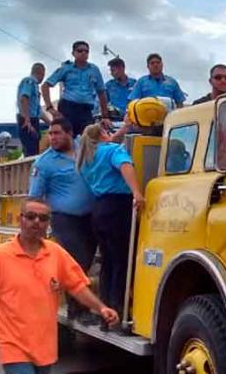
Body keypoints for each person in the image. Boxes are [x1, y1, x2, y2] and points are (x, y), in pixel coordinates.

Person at [0, 199, 119, 374]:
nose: (36, 222)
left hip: (45, 349)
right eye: (31, 216)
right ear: (21, 220)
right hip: (13, 347)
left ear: (48, 223)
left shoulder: (56, 253)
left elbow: (77, 286)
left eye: (43, 218)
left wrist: (101, 308)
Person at [29, 117, 98, 323]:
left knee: (88, 259)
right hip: (64, 219)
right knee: (76, 262)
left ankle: (87, 304)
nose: (52, 138)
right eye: (50, 134)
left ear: (70, 134)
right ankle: (77, 310)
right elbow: (34, 196)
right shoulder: (44, 163)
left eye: (57, 133)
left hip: (91, 216)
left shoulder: (84, 147)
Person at [76, 124, 146, 318]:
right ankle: (120, 308)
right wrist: (137, 192)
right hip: (118, 207)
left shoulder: (86, 159)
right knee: (123, 260)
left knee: (108, 261)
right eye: (107, 132)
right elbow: (125, 165)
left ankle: (104, 309)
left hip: (99, 210)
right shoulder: (112, 150)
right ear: (102, 135)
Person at [42, 41, 110, 136]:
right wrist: (50, 108)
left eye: (86, 51)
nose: (83, 53)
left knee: (87, 140)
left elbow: (101, 92)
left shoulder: (94, 69)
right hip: (68, 109)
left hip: (86, 111)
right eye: (80, 51)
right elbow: (45, 86)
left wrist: (105, 116)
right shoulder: (66, 68)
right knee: (65, 139)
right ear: (73, 53)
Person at [17, 63, 49, 156]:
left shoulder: (35, 86)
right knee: (30, 151)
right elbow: (24, 98)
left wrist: (51, 123)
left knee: (34, 150)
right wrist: (27, 119)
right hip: (27, 120)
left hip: (33, 120)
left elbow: (38, 110)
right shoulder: (29, 81)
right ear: (41, 73)